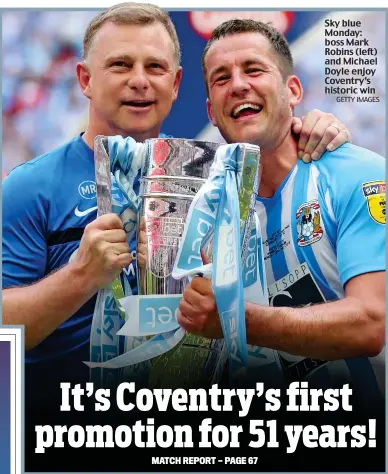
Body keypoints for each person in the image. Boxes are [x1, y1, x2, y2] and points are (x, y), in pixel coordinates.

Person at [2, 4, 351, 395]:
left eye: (155, 67)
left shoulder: (219, 177)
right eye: (120, 65)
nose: (139, 81)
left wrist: (319, 132)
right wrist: (79, 276)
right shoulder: (31, 186)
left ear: (176, 83)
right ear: (85, 78)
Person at [178, 19, 385, 403]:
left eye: (254, 69)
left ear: (293, 90)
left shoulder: (357, 173)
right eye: (221, 78)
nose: (238, 84)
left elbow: (371, 325)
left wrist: (235, 319)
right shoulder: (208, 227)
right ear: (211, 110)